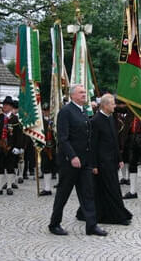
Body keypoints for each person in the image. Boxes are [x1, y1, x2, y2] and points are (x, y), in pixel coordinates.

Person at [48, 84, 107, 236]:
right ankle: (54, 224)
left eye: (84, 92)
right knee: (63, 193)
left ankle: (91, 225)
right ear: (73, 95)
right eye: (81, 92)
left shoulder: (82, 112)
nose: (84, 94)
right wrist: (72, 156)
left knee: (88, 193)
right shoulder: (65, 112)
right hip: (70, 162)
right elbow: (63, 138)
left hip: (85, 161)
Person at [88, 94, 132, 225]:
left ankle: (107, 213)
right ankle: (117, 216)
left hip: (112, 160)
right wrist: (93, 165)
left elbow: (115, 140)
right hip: (102, 161)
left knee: (111, 187)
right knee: (110, 188)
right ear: (106, 105)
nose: (115, 106)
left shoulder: (111, 117)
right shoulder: (95, 120)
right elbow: (92, 144)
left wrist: (120, 158)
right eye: (113, 104)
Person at [40, 103, 56, 196]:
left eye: (48, 110)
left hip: (55, 147)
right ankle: (47, 188)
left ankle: (59, 187)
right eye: (45, 110)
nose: (46, 112)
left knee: (58, 167)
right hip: (45, 147)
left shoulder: (55, 120)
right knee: (46, 167)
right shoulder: (40, 122)